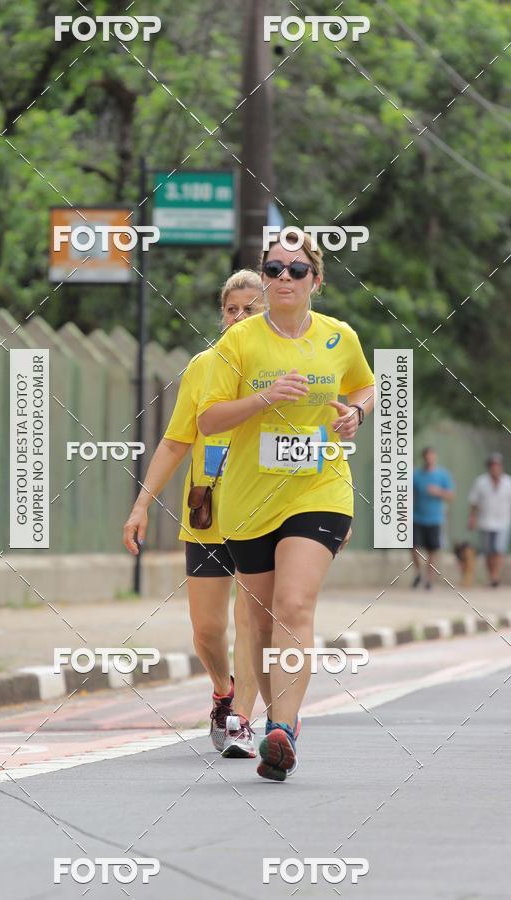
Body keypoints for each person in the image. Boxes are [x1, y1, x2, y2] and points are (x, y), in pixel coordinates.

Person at [198, 228, 375, 781]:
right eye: (274, 269)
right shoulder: (241, 342)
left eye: (296, 271)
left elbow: (366, 386)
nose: (283, 279)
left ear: (315, 281)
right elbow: (207, 419)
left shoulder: (339, 337)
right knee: (257, 616)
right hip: (250, 498)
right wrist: (265, 398)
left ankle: (284, 729)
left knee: (294, 604)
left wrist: (357, 413)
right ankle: (275, 717)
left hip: (320, 488)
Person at [123, 270, 262, 757]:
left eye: (252, 309)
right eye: (232, 309)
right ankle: (223, 692)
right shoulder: (204, 366)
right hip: (206, 510)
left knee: (249, 619)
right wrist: (142, 503)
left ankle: (242, 720)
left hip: (263, 511)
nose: (239, 318)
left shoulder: (279, 370)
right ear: (221, 313)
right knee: (207, 628)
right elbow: (175, 440)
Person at [411, 447, 455, 589]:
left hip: (435, 518)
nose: (429, 458)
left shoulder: (443, 475)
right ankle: (418, 572)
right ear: (423, 458)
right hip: (417, 517)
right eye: (427, 456)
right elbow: (409, 494)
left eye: (431, 456)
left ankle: (428, 579)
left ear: (435, 457)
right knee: (413, 546)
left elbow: (451, 496)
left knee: (432, 550)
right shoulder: (416, 475)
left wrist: (438, 492)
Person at [468, 453, 511, 587]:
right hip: (485, 521)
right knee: (488, 551)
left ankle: (495, 576)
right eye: (492, 466)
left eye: (497, 466)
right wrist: (472, 518)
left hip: (503, 521)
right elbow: (474, 502)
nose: (495, 468)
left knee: (498, 550)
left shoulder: (508, 482)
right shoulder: (481, 482)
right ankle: (491, 575)